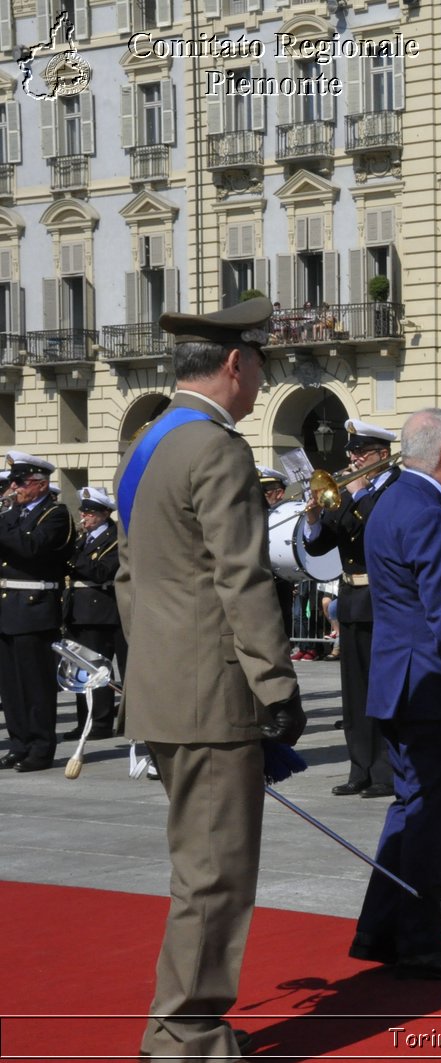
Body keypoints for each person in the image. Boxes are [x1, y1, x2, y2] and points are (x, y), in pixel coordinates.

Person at [113, 297, 304, 1057]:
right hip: (213, 697)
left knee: (198, 867)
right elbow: (242, 578)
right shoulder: (217, 449)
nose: (261, 381)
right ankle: (185, 1035)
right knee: (215, 875)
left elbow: (129, 576)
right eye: (260, 363)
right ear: (235, 363)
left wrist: (162, 658)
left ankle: (181, 1026)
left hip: (163, 688)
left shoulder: (148, 442)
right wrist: (276, 684)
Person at [347, 408, 441, 980]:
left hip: (399, 682)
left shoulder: (390, 502)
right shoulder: (429, 512)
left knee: (409, 809)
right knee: (435, 814)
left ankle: (381, 930)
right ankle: (420, 938)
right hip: (431, 688)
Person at [303, 418, 401, 798]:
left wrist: (358, 495)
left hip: (382, 601)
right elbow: (320, 544)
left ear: (382, 455)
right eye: (352, 453)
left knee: (382, 688)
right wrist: (314, 517)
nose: (354, 460)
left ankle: (386, 771)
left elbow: (378, 532)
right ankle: (359, 767)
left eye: (361, 453)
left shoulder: (394, 488)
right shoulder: (346, 493)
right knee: (354, 692)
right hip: (352, 600)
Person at [0, 451, 74, 772]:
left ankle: (41, 748)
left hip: (35, 609)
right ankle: (19, 744)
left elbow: (31, 548)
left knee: (36, 686)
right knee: (12, 687)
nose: (14, 487)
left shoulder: (55, 514)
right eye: (14, 482)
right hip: (7, 609)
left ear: (40, 485)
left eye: (20, 482)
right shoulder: (10, 515)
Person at [63, 487, 122, 742]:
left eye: (91, 512)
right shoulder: (80, 539)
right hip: (77, 610)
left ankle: (100, 721)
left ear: (105, 513)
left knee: (97, 668)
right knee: (79, 670)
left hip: (100, 611)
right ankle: (83, 720)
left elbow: (102, 572)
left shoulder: (116, 537)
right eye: (83, 511)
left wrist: (73, 556)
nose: (85, 516)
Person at [258, 466, 297, 640]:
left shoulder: (288, 515)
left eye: (265, 491)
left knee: (278, 634)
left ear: (279, 493)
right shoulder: (253, 514)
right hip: (255, 580)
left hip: (277, 580)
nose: (260, 495)